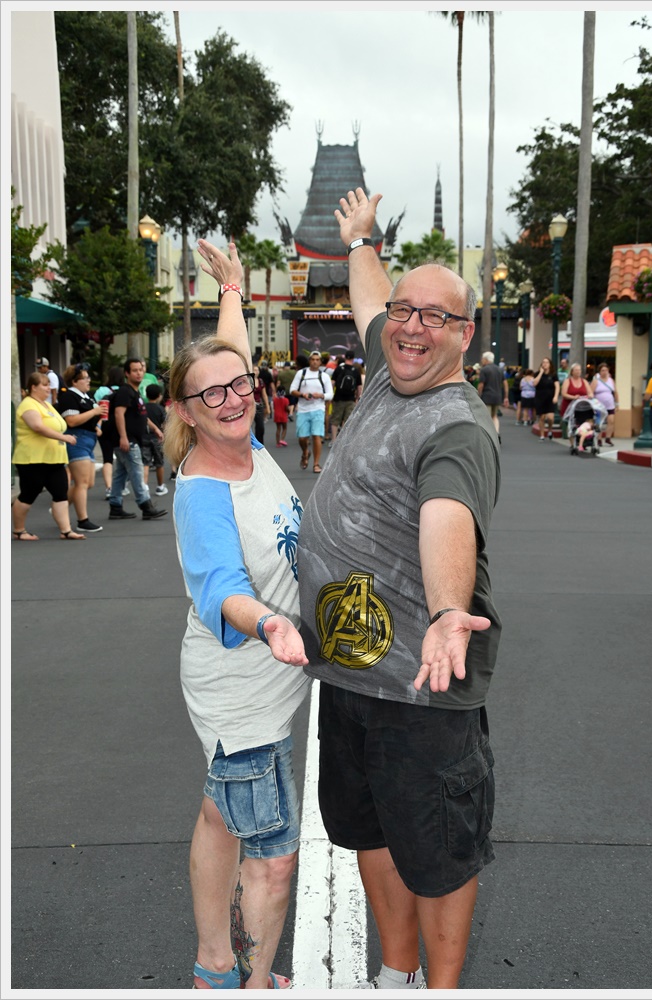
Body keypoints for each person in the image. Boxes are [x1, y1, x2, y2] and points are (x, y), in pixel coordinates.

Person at [297, 187, 501, 991]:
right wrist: (360, 241)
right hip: (349, 673)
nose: (412, 326)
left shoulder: (457, 425)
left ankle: (440, 989)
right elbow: (371, 298)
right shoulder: (390, 368)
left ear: (465, 334)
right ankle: (396, 973)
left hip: (420, 686)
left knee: (440, 852)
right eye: (406, 312)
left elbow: (448, 515)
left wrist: (450, 611)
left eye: (434, 317)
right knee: (369, 831)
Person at [163, 237, 311, 991]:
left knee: (222, 815)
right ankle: (250, 984)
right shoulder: (206, 492)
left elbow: (227, 360)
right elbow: (221, 586)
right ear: (184, 412)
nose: (232, 399)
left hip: (260, 682)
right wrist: (272, 624)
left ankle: (214, 967)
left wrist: (230, 291)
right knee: (274, 858)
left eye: (241, 385)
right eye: (211, 395)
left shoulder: (242, 438)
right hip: (245, 692)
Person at [11, 372, 85, 541]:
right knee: (28, 494)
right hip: (33, 459)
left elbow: (57, 424)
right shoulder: (28, 405)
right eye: (44, 385)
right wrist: (64, 437)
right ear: (33, 387)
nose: (48, 388)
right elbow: (37, 427)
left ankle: (66, 530)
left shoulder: (46, 405)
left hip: (54, 458)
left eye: (48, 384)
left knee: (60, 493)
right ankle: (19, 530)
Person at [107, 358, 167, 521]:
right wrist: (123, 437)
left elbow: (141, 415)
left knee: (120, 475)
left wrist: (155, 428)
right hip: (128, 441)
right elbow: (119, 413)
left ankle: (115, 506)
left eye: (140, 370)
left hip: (132, 440)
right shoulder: (125, 392)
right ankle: (146, 506)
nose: (139, 373)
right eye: (134, 370)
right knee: (137, 472)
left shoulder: (135, 392)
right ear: (127, 373)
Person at [57, 362, 105, 532]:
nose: (88, 380)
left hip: (89, 439)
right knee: (82, 482)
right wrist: (94, 412)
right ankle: (82, 520)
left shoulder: (87, 396)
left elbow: (94, 416)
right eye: (84, 378)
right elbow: (71, 421)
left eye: (88, 377)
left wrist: (97, 425)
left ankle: (59, 506)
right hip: (77, 439)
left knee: (88, 482)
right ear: (74, 381)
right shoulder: (69, 396)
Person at [289, 350, 333, 473]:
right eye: (313, 359)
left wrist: (321, 395)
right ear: (309, 361)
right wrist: (302, 395)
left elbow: (330, 394)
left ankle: (316, 464)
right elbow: (292, 390)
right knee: (302, 438)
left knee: (316, 436)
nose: (315, 362)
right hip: (303, 409)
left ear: (320, 362)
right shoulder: (301, 373)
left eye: (317, 360)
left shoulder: (324, 376)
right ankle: (305, 453)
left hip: (318, 409)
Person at [94, 365, 125, 498]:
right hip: (121, 427)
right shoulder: (125, 390)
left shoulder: (101, 390)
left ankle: (109, 488)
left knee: (107, 458)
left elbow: (96, 407)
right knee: (125, 458)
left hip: (104, 425)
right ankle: (122, 486)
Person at [330, 350, 362, 443]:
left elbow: (333, 383)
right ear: (353, 358)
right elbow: (359, 387)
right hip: (350, 399)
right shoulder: (355, 371)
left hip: (338, 397)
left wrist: (331, 395)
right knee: (347, 420)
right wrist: (357, 397)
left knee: (335, 419)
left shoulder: (339, 369)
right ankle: (343, 441)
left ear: (345, 357)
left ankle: (333, 440)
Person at [144, 382, 168, 495]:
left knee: (145, 463)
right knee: (159, 463)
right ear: (159, 395)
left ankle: (144, 486)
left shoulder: (143, 408)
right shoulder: (160, 408)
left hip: (144, 437)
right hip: (157, 438)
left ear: (146, 394)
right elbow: (165, 424)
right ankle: (160, 486)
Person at [477, 351, 508, 438]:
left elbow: (481, 385)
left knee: (486, 417)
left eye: (483, 359)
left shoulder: (484, 370)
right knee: (495, 416)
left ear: (486, 359)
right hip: (497, 396)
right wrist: (506, 397)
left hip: (487, 396)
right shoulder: (499, 369)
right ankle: (497, 432)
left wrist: (478, 395)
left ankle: (489, 436)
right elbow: (505, 384)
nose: (482, 360)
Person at [591, 362, 619, 446]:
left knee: (611, 421)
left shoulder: (611, 380)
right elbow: (591, 392)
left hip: (610, 404)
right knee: (599, 422)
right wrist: (593, 403)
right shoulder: (596, 381)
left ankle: (608, 438)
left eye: (606, 370)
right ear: (599, 371)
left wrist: (617, 404)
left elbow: (615, 392)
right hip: (599, 406)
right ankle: (599, 438)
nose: (604, 372)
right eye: (602, 370)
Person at [532, 357, 560, 440]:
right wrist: (541, 373)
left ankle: (550, 430)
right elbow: (534, 383)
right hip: (540, 397)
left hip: (550, 398)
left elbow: (557, 386)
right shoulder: (537, 374)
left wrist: (556, 396)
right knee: (542, 417)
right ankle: (542, 435)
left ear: (550, 364)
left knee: (550, 417)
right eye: (543, 362)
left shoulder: (553, 375)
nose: (545, 364)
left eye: (547, 362)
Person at [251, 364, 271, 445]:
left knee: (260, 427)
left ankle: (259, 445)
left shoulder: (261, 381)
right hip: (250, 406)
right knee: (247, 427)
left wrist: (267, 406)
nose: (256, 372)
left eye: (257, 370)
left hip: (259, 406)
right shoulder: (248, 381)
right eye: (254, 370)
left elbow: (264, 394)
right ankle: (249, 444)